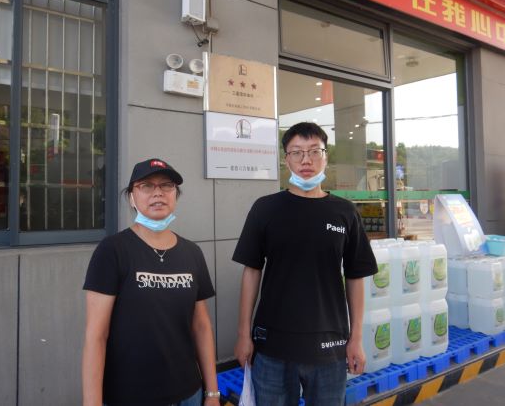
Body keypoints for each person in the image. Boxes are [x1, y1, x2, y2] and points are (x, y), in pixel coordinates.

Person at [232, 122, 378, 406]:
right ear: (286, 160)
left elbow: (355, 276)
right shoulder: (265, 208)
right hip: (272, 346)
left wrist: (356, 338)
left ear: (326, 157)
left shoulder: (345, 212)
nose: (306, 160)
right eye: (297, 152)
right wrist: (243, 334)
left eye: (314, 151)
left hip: (330, 346)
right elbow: (251, 271)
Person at [82, 158, 221, 406]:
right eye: (146, 186)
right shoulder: (113, 250)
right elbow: (96, 336)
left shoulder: (192, 252)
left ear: (175, 195)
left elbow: (201, 326)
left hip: (189, 393)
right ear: (131, 197)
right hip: (130, 396)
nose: (158, 193)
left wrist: (212, 392)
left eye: (166, 185)